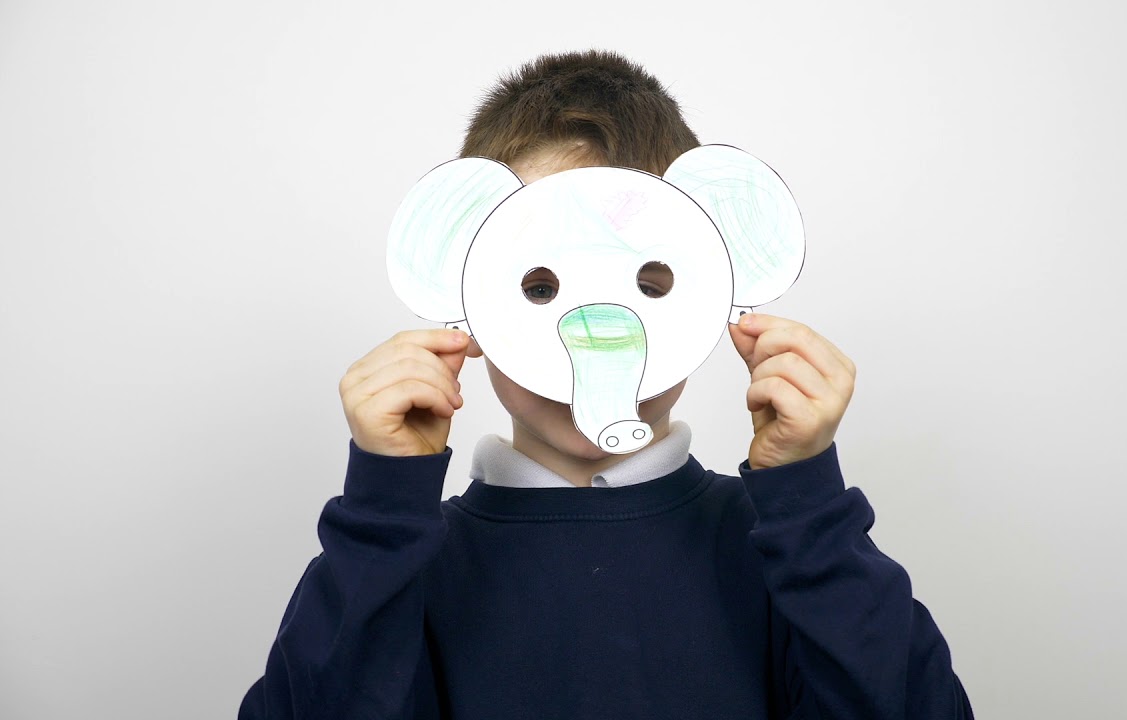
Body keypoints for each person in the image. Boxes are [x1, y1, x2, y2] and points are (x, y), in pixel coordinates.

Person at [239, 49, 975, 719]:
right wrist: (383, 509)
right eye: (539, 286)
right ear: (460, 289)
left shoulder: (783, 545)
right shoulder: (401, 561)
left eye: (649, 283)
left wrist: (807, 502)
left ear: (720, 285)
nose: (592, 332)